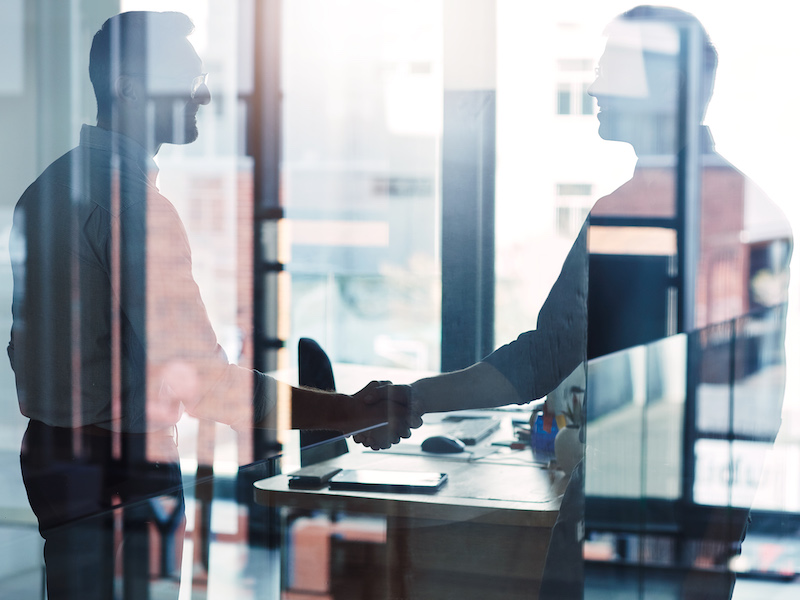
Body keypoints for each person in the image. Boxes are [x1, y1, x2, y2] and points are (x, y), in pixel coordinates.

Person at [358, 6, 791, 600]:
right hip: (657, 520)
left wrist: (408, 401)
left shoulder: (676, 213)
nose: (593, 85)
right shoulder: (726, 207)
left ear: (662, 83)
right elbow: (552, 355)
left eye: (611, 67)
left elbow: (745, 394)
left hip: (649, 525)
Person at [9, 11, 417, 600]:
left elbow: (25, 349)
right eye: (187, 78)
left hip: (55, 460)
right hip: (121, 473)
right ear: (128, 87)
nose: (203, 94)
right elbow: (208, 385)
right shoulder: (134, 208)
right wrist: (348, 412)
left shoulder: (43, 190)